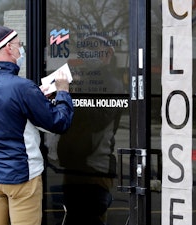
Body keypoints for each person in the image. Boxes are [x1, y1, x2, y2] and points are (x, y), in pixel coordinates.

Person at [0, 25, 74, 225]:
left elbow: (5, 115)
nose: (21, 50)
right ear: (9, 48)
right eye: (19, 45)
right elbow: (60, 123)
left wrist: (37, 98)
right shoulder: (23, 88)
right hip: (21, 178)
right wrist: (62, 92)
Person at [44, 35, 124, 225]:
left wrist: (71, 92)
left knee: (90, 218)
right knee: (72, 217)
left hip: (95, 169)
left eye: (95, 48)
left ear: (108, 54)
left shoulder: (112, 84)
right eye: (87, 47)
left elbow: (97, 119)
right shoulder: (81, 78)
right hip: (73, 165)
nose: (89, 53)